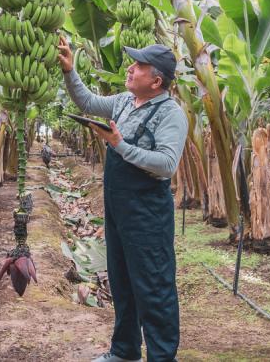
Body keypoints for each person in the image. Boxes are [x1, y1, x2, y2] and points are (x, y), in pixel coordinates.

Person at [57, 37, 188, 362]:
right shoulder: (124, 102)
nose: (130, 68)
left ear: (156, 81)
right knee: (122, 281)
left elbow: (166, 164)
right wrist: (70, 71)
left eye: (138, 65)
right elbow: (87, 102)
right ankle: (124, 351)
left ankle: (161, 357)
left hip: (147, 214)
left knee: (154, 288)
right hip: (118, 210)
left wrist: (119, 144)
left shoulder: (171, 114)